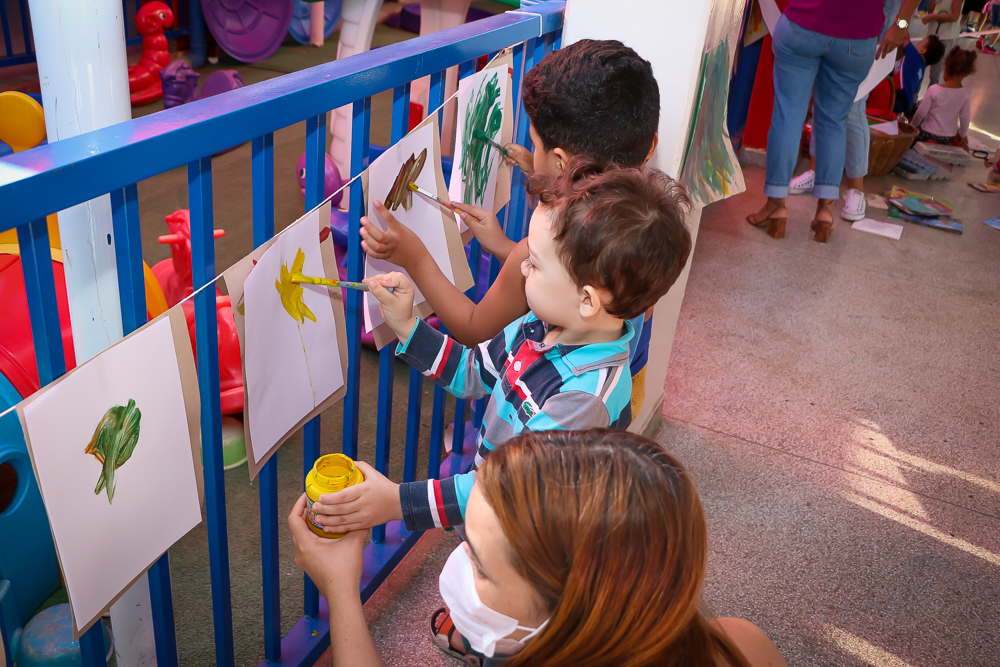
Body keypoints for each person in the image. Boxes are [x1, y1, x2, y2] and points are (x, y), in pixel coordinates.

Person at [310, 158, 690, 536]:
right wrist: (408, 326)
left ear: (587, 301)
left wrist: (396, 502)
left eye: (535, 265)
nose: (521, 267)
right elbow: (473, 374)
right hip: (492, 517)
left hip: (529, 548)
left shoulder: (584, 399)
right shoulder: (540, 326)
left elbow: (505, 491)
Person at [288, 428, 791, 667]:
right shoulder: (741, 643)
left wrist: (341, 591)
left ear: (568, 611)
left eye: (480, 563)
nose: (457, 563)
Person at [358, 39, 662, 416]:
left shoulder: (533, 262)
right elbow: (568, 269)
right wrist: (504, 242)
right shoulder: (646, 228)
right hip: (628, 385)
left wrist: (415, 258)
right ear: (650, 146)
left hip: (546, 420)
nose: (527, 153)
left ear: (561, 163)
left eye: (533, 144)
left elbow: (472, 330)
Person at [747, 0, 913, 243]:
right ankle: (825, 211)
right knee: (834, 121)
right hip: (858, 37)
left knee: (788, 115)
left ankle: (775, 205)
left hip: (806, 22)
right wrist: (900, 25)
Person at [911, 46, 976, 146]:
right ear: (966, 74)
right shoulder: (966, 94)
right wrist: (963, 135)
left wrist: (912, 127)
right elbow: (965, 117)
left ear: (947, 68)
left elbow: (920, 113)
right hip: (948, 137)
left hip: (927, 133)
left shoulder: (934, 89)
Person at [893, 33, 947, 114]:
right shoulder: (922, 69)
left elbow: (905, 38)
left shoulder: (915, 56)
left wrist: (903, 21)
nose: (915, 45)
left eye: (919, 44)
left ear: (922, 50)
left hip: (899, 97)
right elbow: (915, 92)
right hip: (907, 102)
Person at [924, 0, 963, 84]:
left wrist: (932, 17)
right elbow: (931, 11)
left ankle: (933, 94)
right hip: (932, 32)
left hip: (946, 36)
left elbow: (954, 17)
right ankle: (916, 93)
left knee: (936, 71)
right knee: (922, 63)